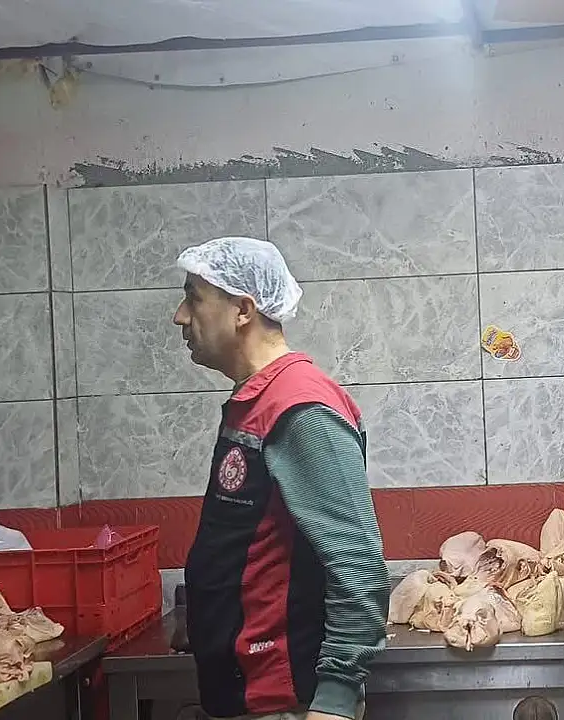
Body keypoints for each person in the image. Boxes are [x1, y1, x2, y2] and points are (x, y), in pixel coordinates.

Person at [171, 236, 389, 720]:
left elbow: (358, 566)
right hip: (251, 695)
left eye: (194, 298)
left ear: (243, 310)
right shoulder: (258, 401)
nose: (180, 316)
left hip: (291, 700)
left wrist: (336, 700)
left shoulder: (300, 408)